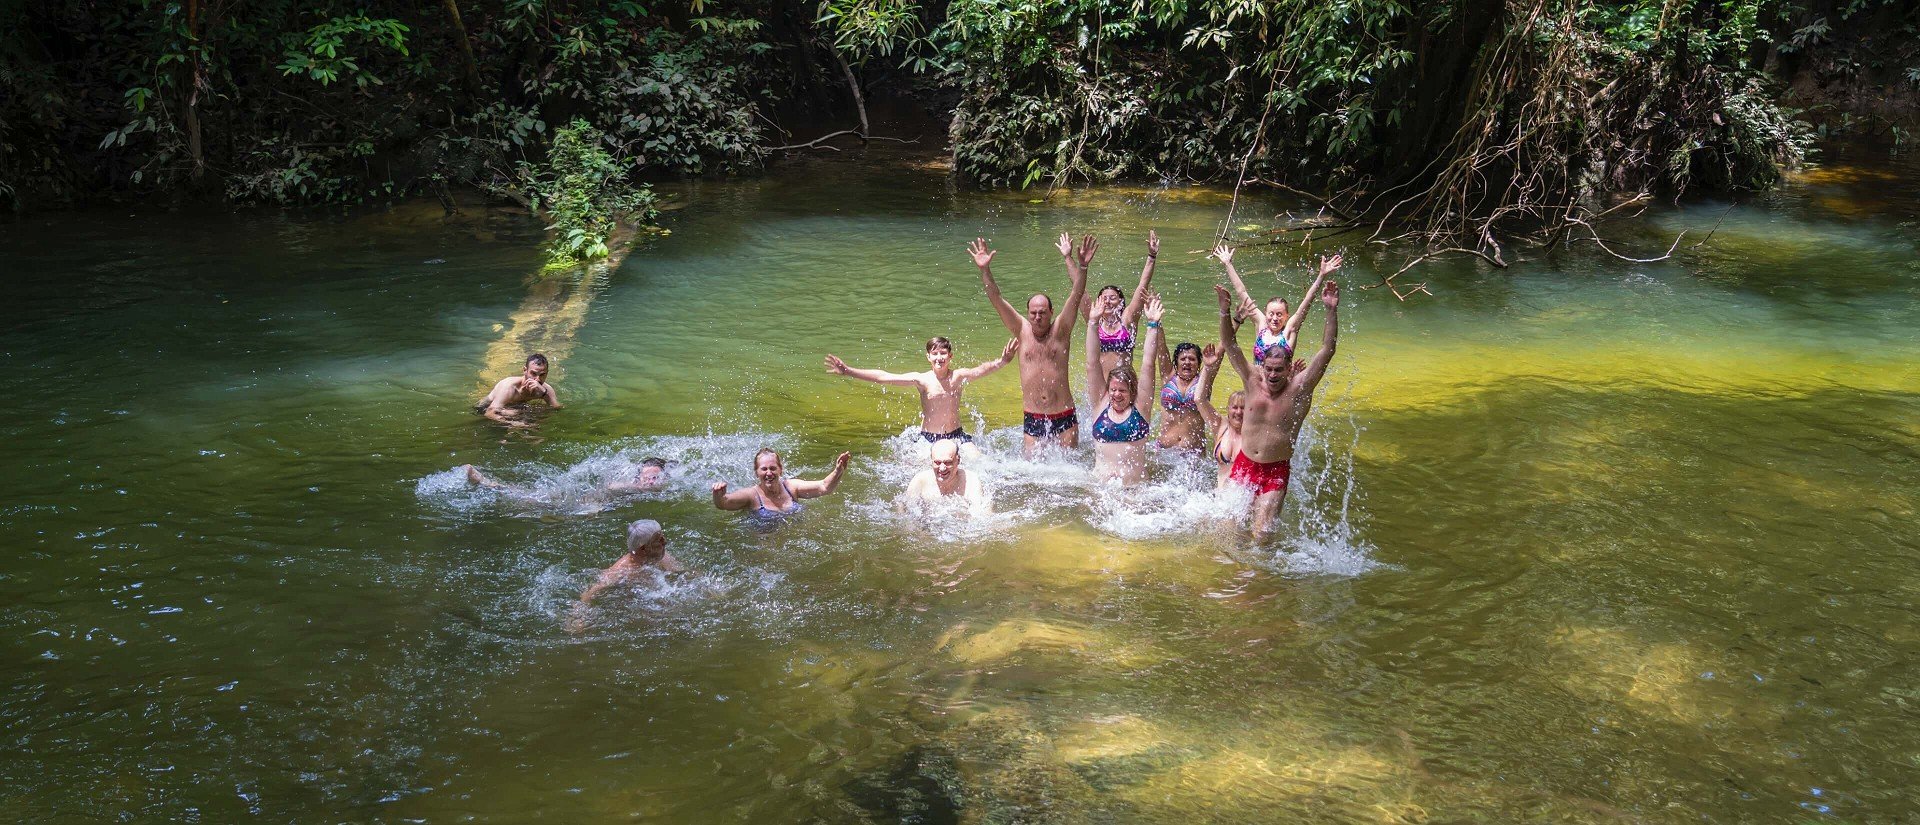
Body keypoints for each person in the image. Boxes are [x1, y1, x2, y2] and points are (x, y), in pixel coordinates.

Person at [1216, 258, 1341, 538]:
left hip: (1275, 471)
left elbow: (1327, 350)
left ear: (1289, 368)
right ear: (1263, 367)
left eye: (1278, 370)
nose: (1272, 375)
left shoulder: (1299, 388)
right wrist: (1225, 312)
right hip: (1245, 462)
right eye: (1268, 370)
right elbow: (1230, 345)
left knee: (1261, 537)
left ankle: (1263, 580)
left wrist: (1331, 311)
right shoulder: (1252, 381)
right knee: (1230, 531)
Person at [969, 233, 1093, 454]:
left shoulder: (1061, 330)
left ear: (1051, 312)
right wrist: (985, 270)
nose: (1037, 317)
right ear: (1028, 313)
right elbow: (996, 299)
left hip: (1064, 416)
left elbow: (1077, 294)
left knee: (1071, 475)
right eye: (1033, 313)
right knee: (1031, 479)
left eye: (1042, 313)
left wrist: (1082, 267)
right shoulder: (1021, 329)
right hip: (1033, 417)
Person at [824, 336, 1019, 454]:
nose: (939, 357)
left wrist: (1002, 361)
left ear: (950, 356)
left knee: (980, 463)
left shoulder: (958, 377)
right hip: (928, 438)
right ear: (928, 357)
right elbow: (884, 377)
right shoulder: (922, 380)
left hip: (957, 436)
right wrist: (848, 371)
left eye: (943, 353)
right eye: (934, 353)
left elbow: (981, 370)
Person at [1084, 292, 1166, 485]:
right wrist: (1093, 323)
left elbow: (1147, 364)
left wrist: (1152, 325)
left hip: (1136, 493)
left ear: (1132, 392)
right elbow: (1091, 363)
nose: (1116, 395)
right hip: (1100, 492)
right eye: (1113, 390)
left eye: (1122, 391)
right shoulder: (1100, 403)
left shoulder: (1141, 408)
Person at [1213, 245, 1338, 364]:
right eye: (1271, 314)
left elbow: (1306, 303)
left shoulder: (1289, 331)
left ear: (1287, 316)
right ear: (1265, 313)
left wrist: (1321, 275)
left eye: (1279, 315)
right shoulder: (1261, 326)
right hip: (1257, 383)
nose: (1274, 318)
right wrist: (1228, 264)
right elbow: (1242, 292)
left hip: (1281, 385)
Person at [568, 519, 684, 630]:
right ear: (643, 548)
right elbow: (588, 594)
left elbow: (683, 573)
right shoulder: (622, 570)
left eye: (662, 537)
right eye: (659, 540)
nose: (665, 542)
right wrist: (579, 619)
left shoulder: (661, 555)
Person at [1088, 231, 1160, 379]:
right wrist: (1077, 263)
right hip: (1099, 384)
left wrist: (1151, 257)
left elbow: (1142, 286)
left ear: (1121, 302)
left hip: (1124, 383)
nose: (1107, 301)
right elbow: (1079, 292)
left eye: (1112, 298)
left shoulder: (1127, 319)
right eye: (1104, 298)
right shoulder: (1094, 321)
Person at [711, 448, 851, 521]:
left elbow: (824, 487)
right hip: (764, 547)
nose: (769, 473)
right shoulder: (751, 495)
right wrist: (718, 495)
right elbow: (724, 504)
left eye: (773, 468)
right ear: (756, 472)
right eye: (764, 469)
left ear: (780, 469)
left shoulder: (791, 487)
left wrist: (838, 470)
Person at [462, 456, 667, 497]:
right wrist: (640, 487)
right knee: (537, 498)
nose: (650, 481)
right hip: (584, 498)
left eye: (655, 478)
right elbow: (612, 487)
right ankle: (487, 484)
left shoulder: (665, 486)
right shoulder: (631, 484)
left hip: (587, 500)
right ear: (638, 475)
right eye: (647, 477)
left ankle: (488, 484)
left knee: (537, 499)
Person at [1153, 341, 1216, 450]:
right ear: (1176, 363)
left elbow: (1221, 350)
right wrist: (1155, 325)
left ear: (1199, 362)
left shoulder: (1204, 381)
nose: (1187, 362)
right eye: (1183, 359)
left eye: (1192, 359)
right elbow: (1161, 346)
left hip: (1193, 454)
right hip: (1164, 450)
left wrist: (1234, 324)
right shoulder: (1167, 377)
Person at [899, 439, 987, 511]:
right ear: (931, 460)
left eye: (948, 462)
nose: (942, 468)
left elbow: (982, 516)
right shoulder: (920, 481)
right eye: (937, 462)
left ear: (958, 460)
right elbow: (904, 513)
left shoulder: (971, 481)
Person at [476, 353, 562, 426]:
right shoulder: (509, 387)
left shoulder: (545, 389)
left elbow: (557, 409)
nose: (538, 379)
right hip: (485, 408)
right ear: (525, 370)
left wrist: (544, 394)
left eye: (542, 375)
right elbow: (489, 413)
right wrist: (518, 424)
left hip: (512, 409)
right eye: (533, 373)